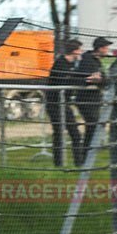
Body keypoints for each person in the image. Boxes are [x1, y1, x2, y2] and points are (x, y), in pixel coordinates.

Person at [46, 39, 84, 167]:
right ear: (74, 51)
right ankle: (59, 163)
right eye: (79, 50)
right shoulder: (60, 63)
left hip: (65, 104)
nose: (81, 52)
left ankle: (79, 163)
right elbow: (64, 81)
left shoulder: (74, 64)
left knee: (75, 133)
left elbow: (75, 79)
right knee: (59, 133)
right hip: (55, 104)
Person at [75, 36, 112, 160]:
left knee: (94, 126)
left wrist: (101, 80)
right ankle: (85, 155)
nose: (107, 50)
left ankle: (87, 154)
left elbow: (104, 79)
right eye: (106, 47)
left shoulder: (96, 61)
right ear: (99, 48)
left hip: (94, 100)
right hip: (86, 100)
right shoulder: (87, 60)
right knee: (93, 126)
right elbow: (87, 79)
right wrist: (98, 80)